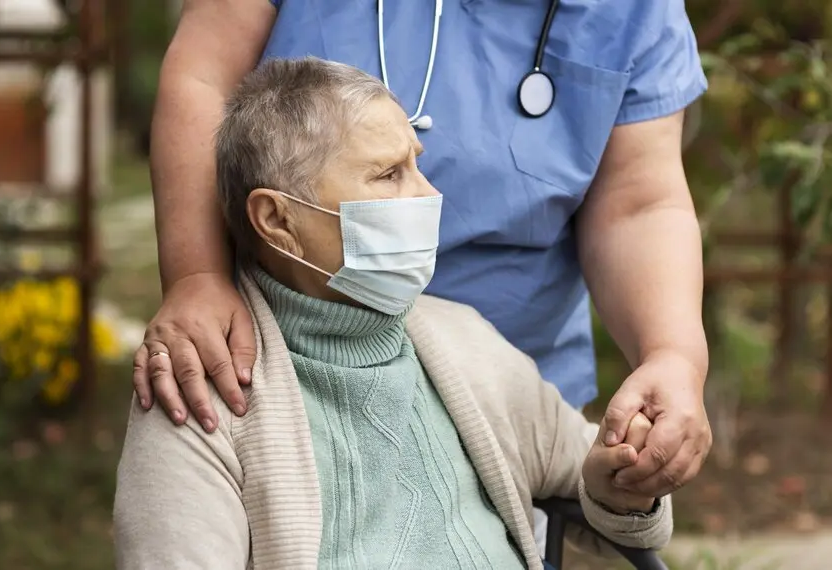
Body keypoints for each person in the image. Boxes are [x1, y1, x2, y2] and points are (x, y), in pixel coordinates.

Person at [135, 0, 710, 530]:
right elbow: (201, 78)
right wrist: (196, 277)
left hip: (510, 388)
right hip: (278, 369)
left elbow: (640, 201)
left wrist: (672, 355)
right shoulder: (211, 424)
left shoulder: (510, 390)